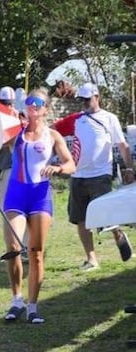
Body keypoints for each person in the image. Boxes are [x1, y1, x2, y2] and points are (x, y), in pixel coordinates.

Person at [3, 88, 76, 323]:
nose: (33, 105)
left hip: (40, 196)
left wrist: (58, 168)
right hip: (16, 193)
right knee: (13, 247)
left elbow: (70, 164)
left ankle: (33, 307)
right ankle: (16, 301)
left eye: (38, 103)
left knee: (36, 254)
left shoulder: (52, 135)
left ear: (46, 109)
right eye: (29, 101)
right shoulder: (16, 132)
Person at [52, 82, 133, 270]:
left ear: (97, 97)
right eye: (82, 100)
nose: (84, 104)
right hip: (78, 174)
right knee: (81, 219)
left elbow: (123, 145)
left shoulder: (109, 118)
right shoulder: (76, 119)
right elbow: (52, 130)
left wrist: (129, 169)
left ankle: (118, 236)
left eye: (87, 100)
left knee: (105, 214)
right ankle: (91, 258)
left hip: (100, 174)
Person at [0, 86, 29, 261]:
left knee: (11, 209)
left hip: (10, 168)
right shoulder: (18, 117)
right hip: (16, 168)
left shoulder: (13, 118)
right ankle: (24, 246)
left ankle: (20, 247)